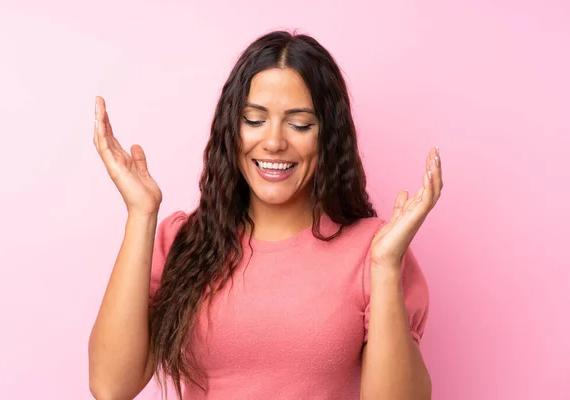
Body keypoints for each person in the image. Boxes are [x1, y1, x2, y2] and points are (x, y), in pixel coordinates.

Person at [88, 30, 442, 400]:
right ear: (232, 129)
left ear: (329, 136)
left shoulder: (375, 250)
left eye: (300, 124)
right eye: (254, 120)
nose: (273, 142)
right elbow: (111, 386)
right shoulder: (182, 243)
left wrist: (385, 266)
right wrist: (141, 215)